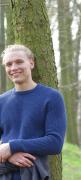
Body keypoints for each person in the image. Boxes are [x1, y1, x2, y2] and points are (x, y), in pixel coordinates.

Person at [0, 44, 66, 179]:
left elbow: (55, 143)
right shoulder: (1, 101)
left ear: (31, 62)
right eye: (8, 64)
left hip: (34, 174)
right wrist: (9, 154)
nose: (13, 68)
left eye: (19, 62)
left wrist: (12, 147)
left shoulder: (51, 97)